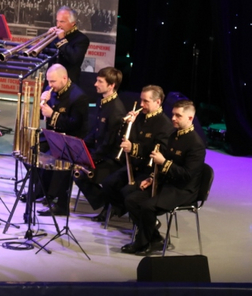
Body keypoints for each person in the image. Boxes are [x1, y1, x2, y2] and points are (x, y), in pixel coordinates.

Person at [120, 100, 205, 255]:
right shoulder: (173, 136)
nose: (173, 118)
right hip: (167, 184)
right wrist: (152, 178)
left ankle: (142, 243)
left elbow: (186, 175)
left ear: (190, 118)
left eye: (178, 116)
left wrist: (164, 162)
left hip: (183, 190)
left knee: (147, 206)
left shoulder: (196, 144)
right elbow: (161, 164)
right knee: (131, 200)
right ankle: (155, 238)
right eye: (173, 114)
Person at [96, 85, 174, 222]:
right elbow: (124, 138)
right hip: (132, 165)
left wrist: (133, 148)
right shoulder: (139, 118)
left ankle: (141, 219)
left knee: (127, 192)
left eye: (146, 101)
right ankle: (121, 208)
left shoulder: (165, 125)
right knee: (108, 183)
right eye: (141, 100)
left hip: (148, 170)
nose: (141, 104)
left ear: (158, 102)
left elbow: (158, 151)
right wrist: (127, 124)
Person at [37, 64, 89, 216]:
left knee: (59, 158)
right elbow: (44, 117)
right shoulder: (52, 92)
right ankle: (41, 191)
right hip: (54, 135)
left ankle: (59, 203)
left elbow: (75, 124)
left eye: (53, 81)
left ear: (64, 79)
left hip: (71, 140)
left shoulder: (79, 97)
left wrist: (52, 114)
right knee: (31, 151)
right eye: (48, 81)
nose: (49, 85)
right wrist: (43, 103)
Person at [74, 67, 127, 211]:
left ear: (111, 85)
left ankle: (112, 205)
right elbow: (95, 131)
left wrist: (89, 159)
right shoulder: (103, 102)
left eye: (100, 81)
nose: (95, 84)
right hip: (100, 152)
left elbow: (108, 144)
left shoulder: (116, 110)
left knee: (79, 175)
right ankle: (107, 204)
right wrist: (81, 146)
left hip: (109, 159)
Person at [48, 6, 90, 85]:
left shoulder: (82, 39)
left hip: (69, 84)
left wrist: (62, 40)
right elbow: (44, 54)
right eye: (57, 21)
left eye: (62, 22)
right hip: (51, 83)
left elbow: (74, 59)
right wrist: (48, 37)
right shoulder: (55, 36)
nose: (58, 25)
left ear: (73, 23)